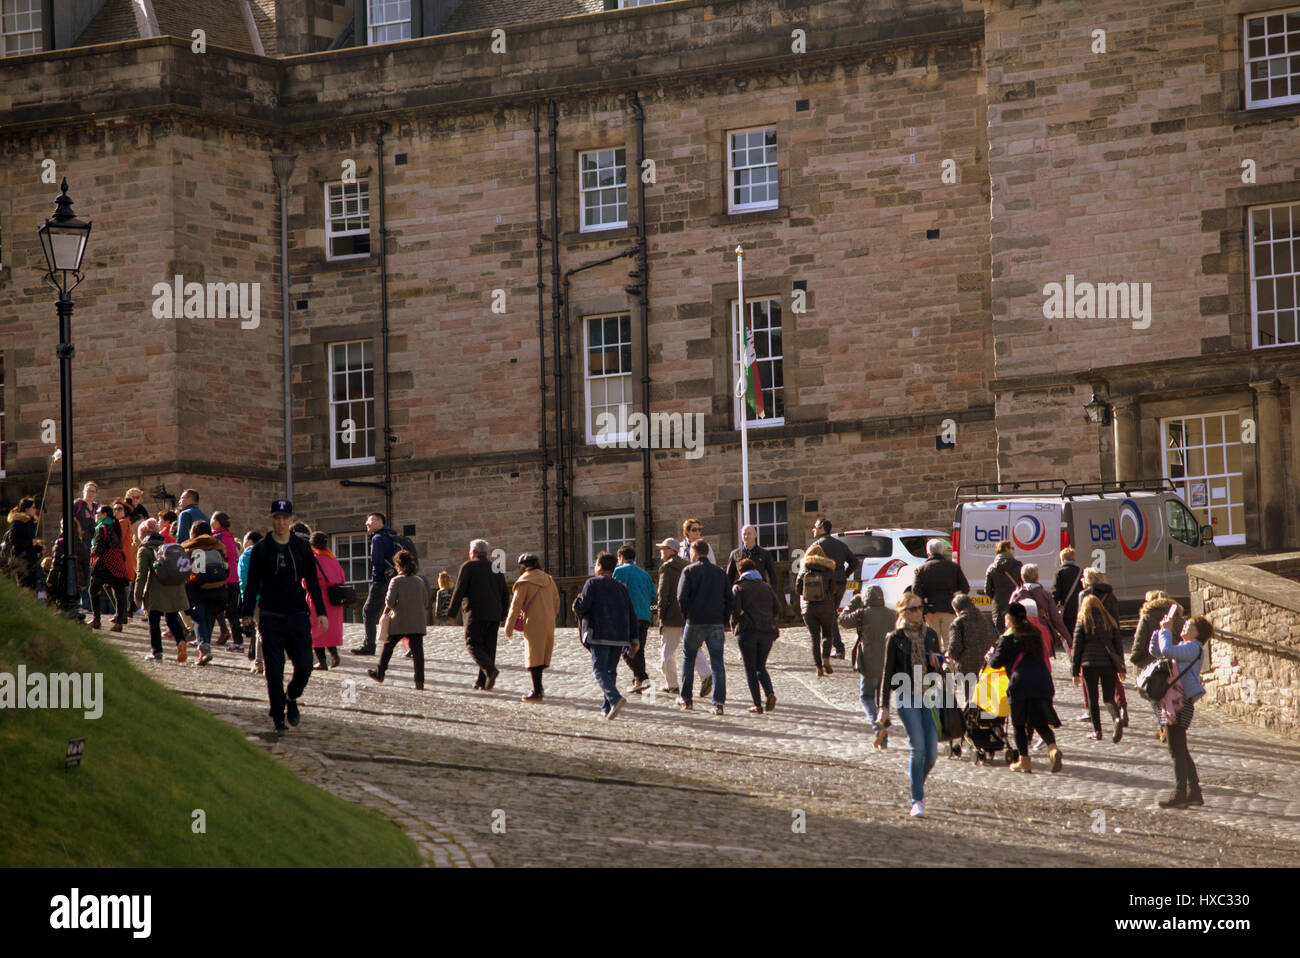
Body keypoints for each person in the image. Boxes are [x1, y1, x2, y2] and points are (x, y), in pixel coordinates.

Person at [239, 500, 329, 732]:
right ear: (271, 519)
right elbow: (251, 585)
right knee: (274, 669)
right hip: (270, 615)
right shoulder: (261, 549)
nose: (280, 523)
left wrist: (322, 612)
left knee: (305, 665)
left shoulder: (301, 547)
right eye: (276, 518)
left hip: (298, 614)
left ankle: (291, 696)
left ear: (291, 520)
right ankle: (278, 715)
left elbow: (313, 583)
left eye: (284, 518)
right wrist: (247, 612)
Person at [877, 594, 943, 816]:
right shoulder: (895, 638)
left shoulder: (931, 635)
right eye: (913, 609)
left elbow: (938, 669)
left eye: (920, 608)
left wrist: (939, 662)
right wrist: (882, 706)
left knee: (932, 753)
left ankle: (917, 783)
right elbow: (887, 674)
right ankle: (917, 799)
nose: (918, 612)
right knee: (919, 746)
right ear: (903, 612)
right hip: (906, 695)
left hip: (929, 695)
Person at [988, 602, 1062, 773]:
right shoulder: (1035, 633)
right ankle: (1052, 748)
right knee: (1040, 722)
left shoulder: (1007, 639)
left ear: (1009, 618)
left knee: (1019, 724)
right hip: (1042, 681)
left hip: (1020, 684)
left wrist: (989, 657)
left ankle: (1024, 760)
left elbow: (995, 663)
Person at [1150, 607, 1209, 808]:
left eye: (1189, 625)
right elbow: (1157, 651)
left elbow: (1167, 650)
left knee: (1176, 749)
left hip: (1181, 704)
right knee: (1180, 749)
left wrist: (1166, 632)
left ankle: (1180, 793)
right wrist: (1160, 630)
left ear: (1198, 633)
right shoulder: (1185, 645)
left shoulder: (1194, 647)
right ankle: (1194, 792)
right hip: (1173, 701)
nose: (1184, 625)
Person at [573, 551, 639, 718]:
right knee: (611, 671)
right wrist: (634, 638)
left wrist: (577, 604)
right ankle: (607, 707)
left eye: (595, 564)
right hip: (618, 636)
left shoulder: (592, 583)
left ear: (600, 566)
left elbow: (585, 607)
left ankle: (615, 699)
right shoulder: (621, 587)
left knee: (599, 671)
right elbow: (631, 613)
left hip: (599, 633)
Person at [676, 539, 732, 714]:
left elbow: (681, 597)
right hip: (715, 622)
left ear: (694, 552)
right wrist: (723, 619)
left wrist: (687, 616)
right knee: (717, 663)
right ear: (707, 552)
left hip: (695, 621)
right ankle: (718, 703)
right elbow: (729, 599)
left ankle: (686, 699)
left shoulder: (689, 570)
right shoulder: (719, 572)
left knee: (688, 658)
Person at [448, 538, 510, 690]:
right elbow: (504, 592)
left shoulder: (468, 566)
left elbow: (459, 590)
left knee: (472, 644)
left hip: (475, 613)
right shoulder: (496, 568)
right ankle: (482, 682)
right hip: (494, 614)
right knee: (489, 648)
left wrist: (452, 611)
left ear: (473, 552)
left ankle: (490, 670)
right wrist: (504, 613)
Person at [841, 584, 896, 747]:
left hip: (869, 664)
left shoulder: (862, 614)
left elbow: (842, 620)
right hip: (888, 665)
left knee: (866, 697)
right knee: (883, 702)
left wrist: (853, 602)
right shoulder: (893, 615)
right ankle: (883, 739)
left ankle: (877, 727)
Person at [367, 550, 430, 689]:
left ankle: (380, 673)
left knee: (388, 647)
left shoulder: (396, 580)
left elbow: (389, 602)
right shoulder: (419, 581)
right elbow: (426, 600)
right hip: (417, 621)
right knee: (418, 653)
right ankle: (419, 681)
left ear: (398, 565)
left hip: (399, 620)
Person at [655, 537, 711, 696]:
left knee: (666, 652)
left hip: (671, 616)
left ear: (671, 550)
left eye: (663, 548)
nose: (661, 551)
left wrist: (661, 615)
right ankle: (706, 674)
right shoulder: (688, 565)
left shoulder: (666, 567)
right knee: (693, 647)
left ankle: (672, 684)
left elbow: (663, 594)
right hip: (688, 615)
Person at [504, 553, 561, 702]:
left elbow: (515, 607)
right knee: (541, 656)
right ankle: (539, 687)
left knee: (533, 657)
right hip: (548, 622)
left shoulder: (524, 582)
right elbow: (556, 602)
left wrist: (508, 627)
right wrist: (550, 616)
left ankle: (536, 691)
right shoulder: (548, 580)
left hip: (533, 623)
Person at [133, 518, 189, 662]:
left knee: (154, 621)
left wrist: (137, 595)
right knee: (172, 619)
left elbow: (141, 575)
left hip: (156, 591)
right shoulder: (166, 547)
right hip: (174, 589)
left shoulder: (144, 550)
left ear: (143, 535)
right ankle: (181, 641)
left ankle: (157, 652)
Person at [1071, 594, 1126, 743]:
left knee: (1093, 699)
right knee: (1108, 697)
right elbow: (1118, 646)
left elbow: (1077, 648)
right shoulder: (1110, 621)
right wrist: (1122, 668)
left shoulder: (1082, 622)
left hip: (1090, 664)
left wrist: (1074, 672)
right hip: (1108, 663)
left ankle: (1097, 731)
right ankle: (1116, 719)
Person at [730, 557, 780, 713]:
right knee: (761, 666)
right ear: (756, 570)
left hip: (747, 631)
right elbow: (777, 608)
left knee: (750, 669)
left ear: (739, 572)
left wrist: (735, 622)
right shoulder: (766, 587)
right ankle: (770, 692)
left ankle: (757, 704)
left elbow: (735, 611)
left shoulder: (738, 587)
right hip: (767, 631)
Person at [1131, 590, 1181, 743]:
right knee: (1170, 694)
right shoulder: (1178, 618)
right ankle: (1168, 724)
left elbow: (1139, 642)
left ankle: (1164, 725)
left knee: (1154, 696)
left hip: (1151, 665)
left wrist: (1134, 658)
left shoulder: (1146, 618)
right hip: (1173, 664)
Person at [351, 512, 398, 655]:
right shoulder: (391, 536)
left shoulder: (377, 538)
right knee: (398, 611)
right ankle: (412, 646)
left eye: (370, 520)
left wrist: (376, 579)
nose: (367, 523)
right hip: (394, 579)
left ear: (380, 522)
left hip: (382, 581)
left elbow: (377, 561)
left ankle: (369, 645)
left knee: (368, 611)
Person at [182, 520, 228, 666]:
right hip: (217, 588)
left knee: (198, 619)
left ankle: (204, 647)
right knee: (208, 619)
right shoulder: (219, 546)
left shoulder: (188, 547)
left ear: (193, 532)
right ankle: (205, 647)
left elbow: (183, 570)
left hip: (196, 588)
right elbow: (226, 568)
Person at [613, 544, 657, 694]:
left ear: (621, 557)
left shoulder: (619, 571)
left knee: (624, 648)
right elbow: (653, 596)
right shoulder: (645, 574)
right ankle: (638, 681)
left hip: (627, 616)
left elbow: (614, 590)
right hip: (644, 616)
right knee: (639, 650)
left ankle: (642, 677)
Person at [911, 538, 969, 650]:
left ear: (928, 553)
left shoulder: (921, 570)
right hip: (950, 608)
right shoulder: (953, 567)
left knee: (933, 644)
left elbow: (916, 592)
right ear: (942, 552)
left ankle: (936, 667)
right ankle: (950, 667)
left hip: (930, 611)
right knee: (950, 644)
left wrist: (924, 608)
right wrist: (955, 598)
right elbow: (965, 588)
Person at [809, 518, 855, 657]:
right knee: (832, 613)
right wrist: (845, 575)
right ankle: (835, 647)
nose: (813, 529)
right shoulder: (841, 545)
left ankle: (838, 648)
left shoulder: (816, 546)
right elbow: (854, 563)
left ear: (822, 528)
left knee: (829, 615)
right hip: (840, 583)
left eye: (815, 527)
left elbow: (808, 565)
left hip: (825, 584)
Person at [946, 592, 997, 706]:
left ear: (957, 610)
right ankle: (986, 721)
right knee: (985, 699)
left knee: (970, 699)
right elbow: (995, 640)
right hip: (986, 665)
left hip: (968, 666)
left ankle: (972, 722)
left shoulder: (958, 622)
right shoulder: (985, 619)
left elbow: (954, 647)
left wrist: (957, 659)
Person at [796, 544, 838, 676]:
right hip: (826, 607)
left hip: (808, 608)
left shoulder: (803, 569)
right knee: (827, 634)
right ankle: (826, 658)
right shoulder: (828, 568)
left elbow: (798, 589)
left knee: (814, 638)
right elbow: (833, 590)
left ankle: (818, 667)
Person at [1011, 563, 1070, 652]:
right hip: (1043, 636)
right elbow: (1056, 620)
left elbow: (1010, 619)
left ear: (1022, 577)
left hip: (1022, 636)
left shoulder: (1017, 596)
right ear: (1037, 577)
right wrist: (1070, 641)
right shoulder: (1045, 595)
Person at [307, 532, 345, 669]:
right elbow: (342, 577)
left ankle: (322, 661)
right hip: (334, 597)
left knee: (316, 630)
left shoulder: (313, 559)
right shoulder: (332, 558)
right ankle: (334, 654)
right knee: (330, 629)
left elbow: (306, 581)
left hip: (319, 597)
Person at [88, 504, 130, 631]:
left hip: (104, 562)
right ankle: (119, 622)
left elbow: (99, 546)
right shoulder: (115, 526)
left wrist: (93, 550)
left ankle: (96, 619)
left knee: (93, 590)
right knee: (119, 591)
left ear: (104, 514)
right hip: (117, 561)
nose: (96, 515)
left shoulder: (102, 527)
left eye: (98, 513)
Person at [210, 512, 243, 649]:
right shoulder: (229, 536)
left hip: (223, 578)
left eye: (212, 519)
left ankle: (203, 639)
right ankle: (238, 642)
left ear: (218, 522)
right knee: (231, 612)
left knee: (213, 609)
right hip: (234, 578)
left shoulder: (217, 537)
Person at [49, 518, 89, 617]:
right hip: (78, 581)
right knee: (74, 604)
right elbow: (85, 566)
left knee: (62, 604)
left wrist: (50, 579)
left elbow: (56, 563)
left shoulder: (61, 542)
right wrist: (84, 582)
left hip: (62, 579)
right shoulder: (81, 545)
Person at [983, 540, 1023, 633]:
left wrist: (996, 597)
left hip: (999, 606)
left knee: (1001, 634)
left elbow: (987, 590)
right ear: (1006, 549)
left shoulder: (991, 567)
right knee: (1016, 632)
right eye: (1012, 548)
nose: (1013, 550)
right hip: (1015, 603)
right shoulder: (1018, 565)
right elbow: (1024, 584)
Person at [239, 530, 264, 673]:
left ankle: (260, 662)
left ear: (249, 541)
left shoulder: (246, 556)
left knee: (261, 630)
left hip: (255, 597)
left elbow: (243, 581)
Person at [4, 496, 42, 590]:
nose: (35, 510)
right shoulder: (18, 523)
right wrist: (30, 543)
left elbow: (30, 543)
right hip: (22, 561)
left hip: (31, 561)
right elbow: (13, 540)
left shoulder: (30, 523)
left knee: (33, 588)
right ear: (26, 509)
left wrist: (39, 548)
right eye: (33, 507)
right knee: (24, 587)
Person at [1052, 547, 1084, 633]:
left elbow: (1056, 593)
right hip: (1080, 608)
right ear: (1074, 558)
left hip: (1067, 611)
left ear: (1062, 559)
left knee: (1069, 635)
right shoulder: (1081, 571)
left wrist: (1051, 607)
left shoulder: (1060, 573)